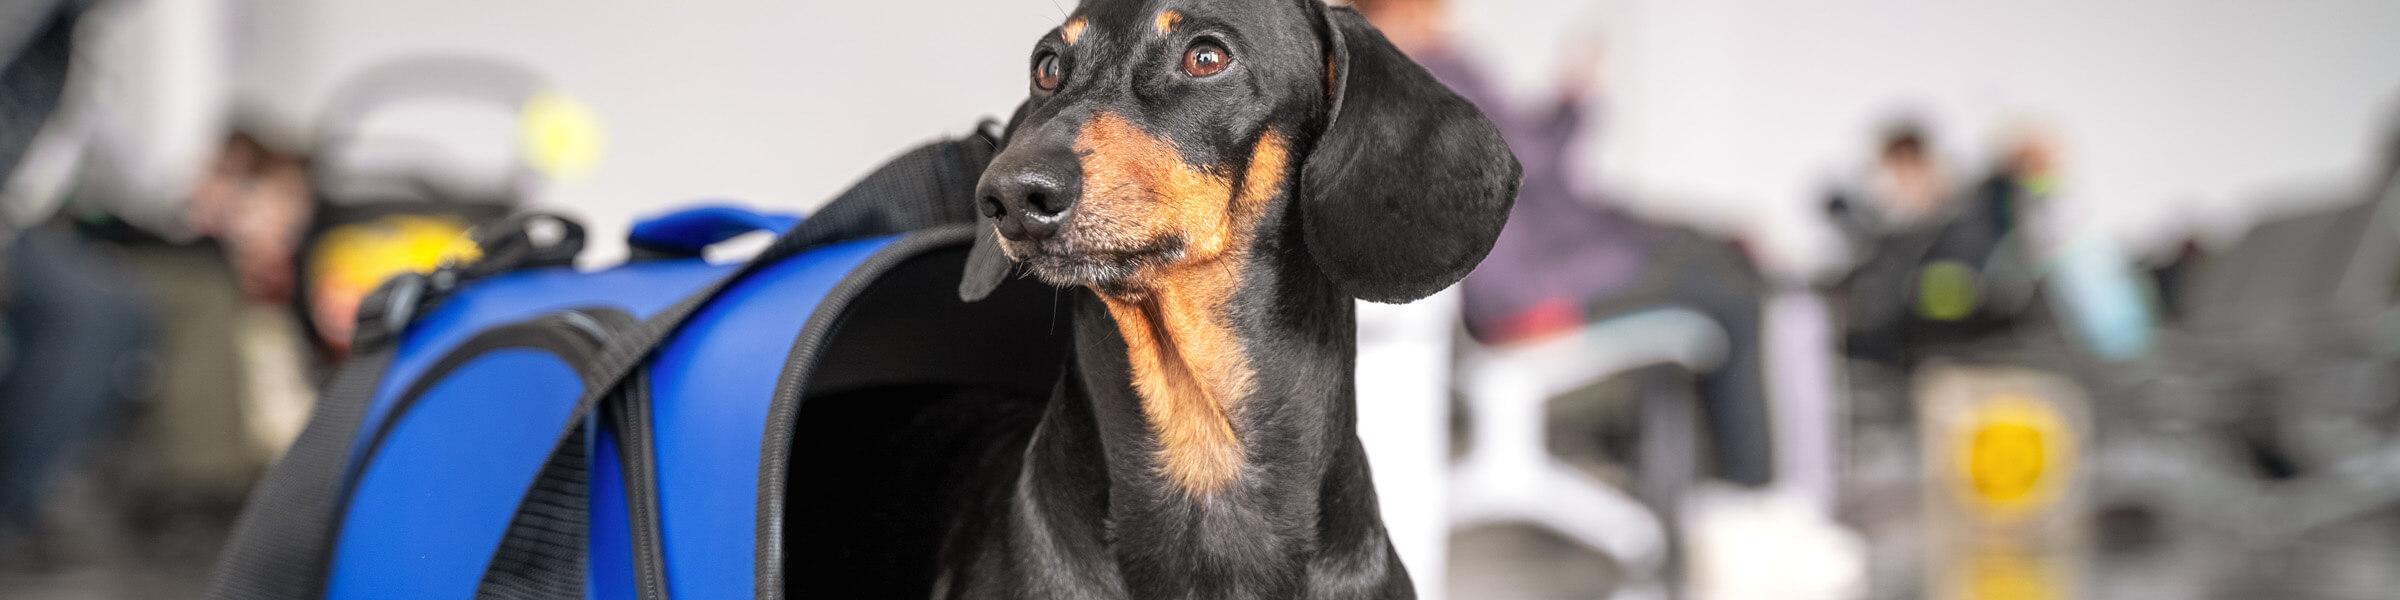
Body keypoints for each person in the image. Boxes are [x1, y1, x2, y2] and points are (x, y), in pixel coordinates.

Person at [1354, 0, 1775, 487]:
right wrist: (1574, 98)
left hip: (1531, 267)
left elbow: (1529, 160)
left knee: (1720, 261)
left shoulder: (1387, 66)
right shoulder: (1430, 68)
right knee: (1737, 296)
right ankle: (1752, 498)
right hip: (1524, 291)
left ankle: (1733, 494)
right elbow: (1526, 158)